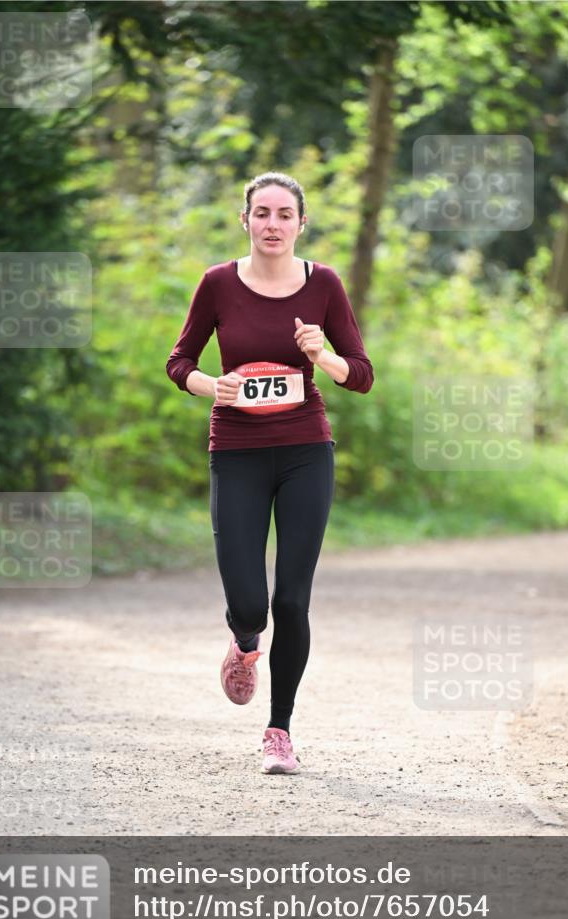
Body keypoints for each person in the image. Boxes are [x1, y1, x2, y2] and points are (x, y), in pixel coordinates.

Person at [166, 171, 374, 775]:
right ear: (246, 220)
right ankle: (244, 644)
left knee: (293, 598)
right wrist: (213, 385)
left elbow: (360, 373)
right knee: (250, 602)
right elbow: (180, 361)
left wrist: (323, 356)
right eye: (263, 213)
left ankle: (279, 730)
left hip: (307, 448)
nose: (274, 225)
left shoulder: (325, 285)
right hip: (235, 451)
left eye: (285, 214)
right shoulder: (218, 284)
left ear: (301, 224)